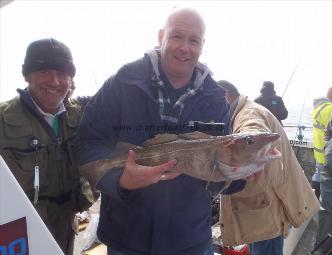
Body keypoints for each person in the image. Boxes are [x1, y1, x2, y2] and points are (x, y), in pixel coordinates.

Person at [75, 8, 246, 255]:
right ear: (160, 36)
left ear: (202, 45)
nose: (185, 48)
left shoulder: (216, 98)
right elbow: (88, 142)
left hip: (190, 240)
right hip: (126, 239)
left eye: (194, 40)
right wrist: (120, 181)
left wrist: (240, 175)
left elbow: (219, 170)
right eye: (177, 36)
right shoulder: (122, 83)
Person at [0, 38, 96, 255]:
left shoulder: (83, 116)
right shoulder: (2, 120)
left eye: (62, 73)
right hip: (20, 234)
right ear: (27, 75)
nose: (55, 81)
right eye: (44, 71)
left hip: (67, 227)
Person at [217, 80, 319, 255]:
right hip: (259, 207)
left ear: (225, 95)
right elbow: (283, 114)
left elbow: (253, 129)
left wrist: (247, 149)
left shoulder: (249, 113)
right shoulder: (243, 110)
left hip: (265, 211)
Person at [314, 98, 332, 255]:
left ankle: (323, 249)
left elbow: (328, 131)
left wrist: (328, 146)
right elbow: (329, 130)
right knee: (327, 205)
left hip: (331, 155)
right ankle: (327, 248)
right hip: (331, 157)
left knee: (327, 207)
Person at [312, 85, 332, 200]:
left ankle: (314, 205)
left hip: (319, 154)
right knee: (328, 191)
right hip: (330, 157)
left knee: (318, 179)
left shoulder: (318, 107)